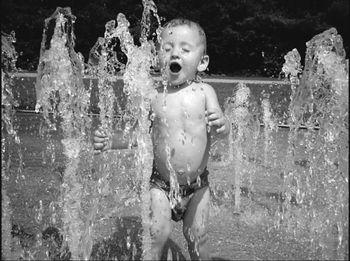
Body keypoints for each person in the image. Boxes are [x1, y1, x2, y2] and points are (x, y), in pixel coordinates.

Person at [93, 18, 230, 260]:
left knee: (198, 236)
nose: (175, 53)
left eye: (185, 50)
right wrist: (111, 142)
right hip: (161, 184)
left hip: (197, 186)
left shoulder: (205, 92)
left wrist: (223, 126)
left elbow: (220, 129)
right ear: (159, 58)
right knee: (157, 233)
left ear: (202, 62)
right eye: (167, 49)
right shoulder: (155, 97)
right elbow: (140, 136)